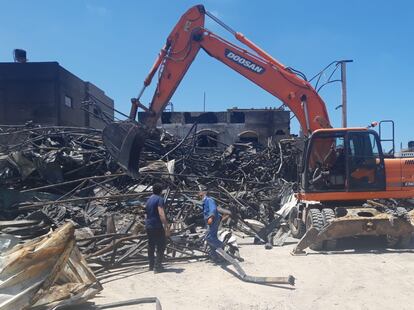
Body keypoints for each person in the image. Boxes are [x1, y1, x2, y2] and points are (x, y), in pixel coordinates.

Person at [145, 183, 170, 273]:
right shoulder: (160, 199)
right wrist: (166, 226)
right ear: (161, 191)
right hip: (157, 226)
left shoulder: (149, 200)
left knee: (151, 245)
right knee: (161, 246)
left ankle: (151, 265)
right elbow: (161, 213)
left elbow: (146, 213)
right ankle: (157, 267)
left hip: (148, 225)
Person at [198, 187, 223, 261]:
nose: (198, 195)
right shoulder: (204, 202)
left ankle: (221, 245)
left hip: (213, 220)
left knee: (209, 237)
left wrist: (211, 217)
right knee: (212, 237)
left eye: (200, 193)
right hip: (209, 221)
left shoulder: (209, 200)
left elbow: (213, 209)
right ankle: (214, 255)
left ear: (204, 193)